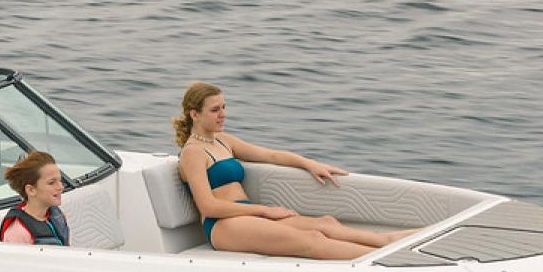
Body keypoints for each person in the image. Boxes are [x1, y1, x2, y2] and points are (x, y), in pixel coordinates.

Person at [174, 81, 411, 260]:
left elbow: (271, 155)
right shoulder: (193, 153)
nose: (223, 114)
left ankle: (387, 240)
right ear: (195, 114)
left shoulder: (223, 140)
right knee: (313, 239)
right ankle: (387, 261)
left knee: (326, 223)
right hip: (223, 224)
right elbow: (208, 206)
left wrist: (310, 164)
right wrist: (265, 211)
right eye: (215, 110)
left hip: (247, 215)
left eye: (224, 107)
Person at [0, 151, 71, 246]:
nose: (60, 187)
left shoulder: (57, 215)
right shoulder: (18, 233)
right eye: (51, 183)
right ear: (31, 190)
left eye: (60, 181)